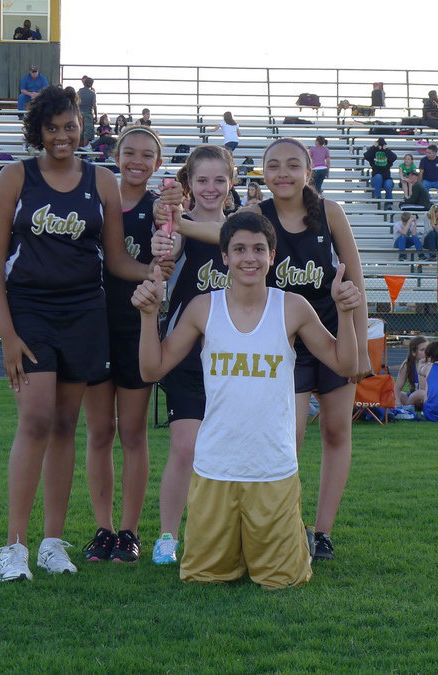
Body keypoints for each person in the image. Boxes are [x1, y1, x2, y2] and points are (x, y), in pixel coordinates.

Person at [133, 211, 360, 589]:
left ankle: (289, 537)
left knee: (283, 580)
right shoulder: (203, 308)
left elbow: (345, 363)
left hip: (272, 469)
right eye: (238, 249)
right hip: (214, 470)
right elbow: (151, 371)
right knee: (204, 577)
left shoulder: (292, 307)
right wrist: (148, 315)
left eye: (258, 249)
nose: (249, 258)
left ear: (272, 255)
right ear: (224, 256)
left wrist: (346, 311)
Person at [0, 85, 154, 582]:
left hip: (86, 312)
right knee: (35, 421)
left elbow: (117, 259)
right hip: (31, 312)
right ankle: (14, 544)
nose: (62, 135)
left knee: (65, 427)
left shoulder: (101, 181)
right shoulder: (16, 177)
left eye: (70, 126)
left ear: (83, 126)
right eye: (53, 127)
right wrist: (7, 333)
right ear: (37, 130)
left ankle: (51, 543)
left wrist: (156, 271)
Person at [255, 137, 370, 561]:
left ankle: (322, 532)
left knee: (337, 431)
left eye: (291, 165)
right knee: (290, 438)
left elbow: (355, 282)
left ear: (308, 170)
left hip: (334, 339)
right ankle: (289, 525)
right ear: (263, 173)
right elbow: (219, 240)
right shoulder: (255, 216)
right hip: (285, 346)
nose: (282, 173)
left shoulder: (330, 213)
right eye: (272, 165)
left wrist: (359, 350)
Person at [143, 145, 236, 566]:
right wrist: (163, 238)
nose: (211, 188)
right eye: (202, 180)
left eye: (219, 180)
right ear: (189, 185)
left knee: (232, 449)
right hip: (186, 353)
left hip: (237, 357)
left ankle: (226, 531)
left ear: (231, 183)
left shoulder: (244, 231)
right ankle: (167, 535)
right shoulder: (179, 226)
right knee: (184, 447)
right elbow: (166, 249)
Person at [81, 126, 169, 564]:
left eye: (147, 154)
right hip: (93, 327)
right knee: (99, 431)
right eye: (129, 151)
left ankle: (130, 531)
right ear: (116, 155)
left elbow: (165, 265)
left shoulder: (160, 210)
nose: (137, 160)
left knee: (133, 433)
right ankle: (103, 528)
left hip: (137, 330)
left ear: (157, 162)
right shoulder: (93, 199)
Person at [394, 335, 429, 410]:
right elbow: (397, 388)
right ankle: (407, 406)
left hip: (427, 397)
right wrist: (397, 402)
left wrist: (422, 364)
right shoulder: (407, 364)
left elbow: (424, 390)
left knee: (420, 393)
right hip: (413, 397)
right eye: (423, 350)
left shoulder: (432, 363)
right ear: (413, 352)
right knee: (395, 394)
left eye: (428, 349)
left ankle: (407, 407)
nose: (427, 352)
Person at [363, 138, 397, 207]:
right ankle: (378, 197)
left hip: (386, 178)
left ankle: (389, 204)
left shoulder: (387, 153)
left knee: (389, 184)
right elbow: (366, 155)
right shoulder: (373, 152)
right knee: (378, 176)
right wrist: (373, 147)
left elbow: (394, 157)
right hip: (376, 180)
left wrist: (386, 150)